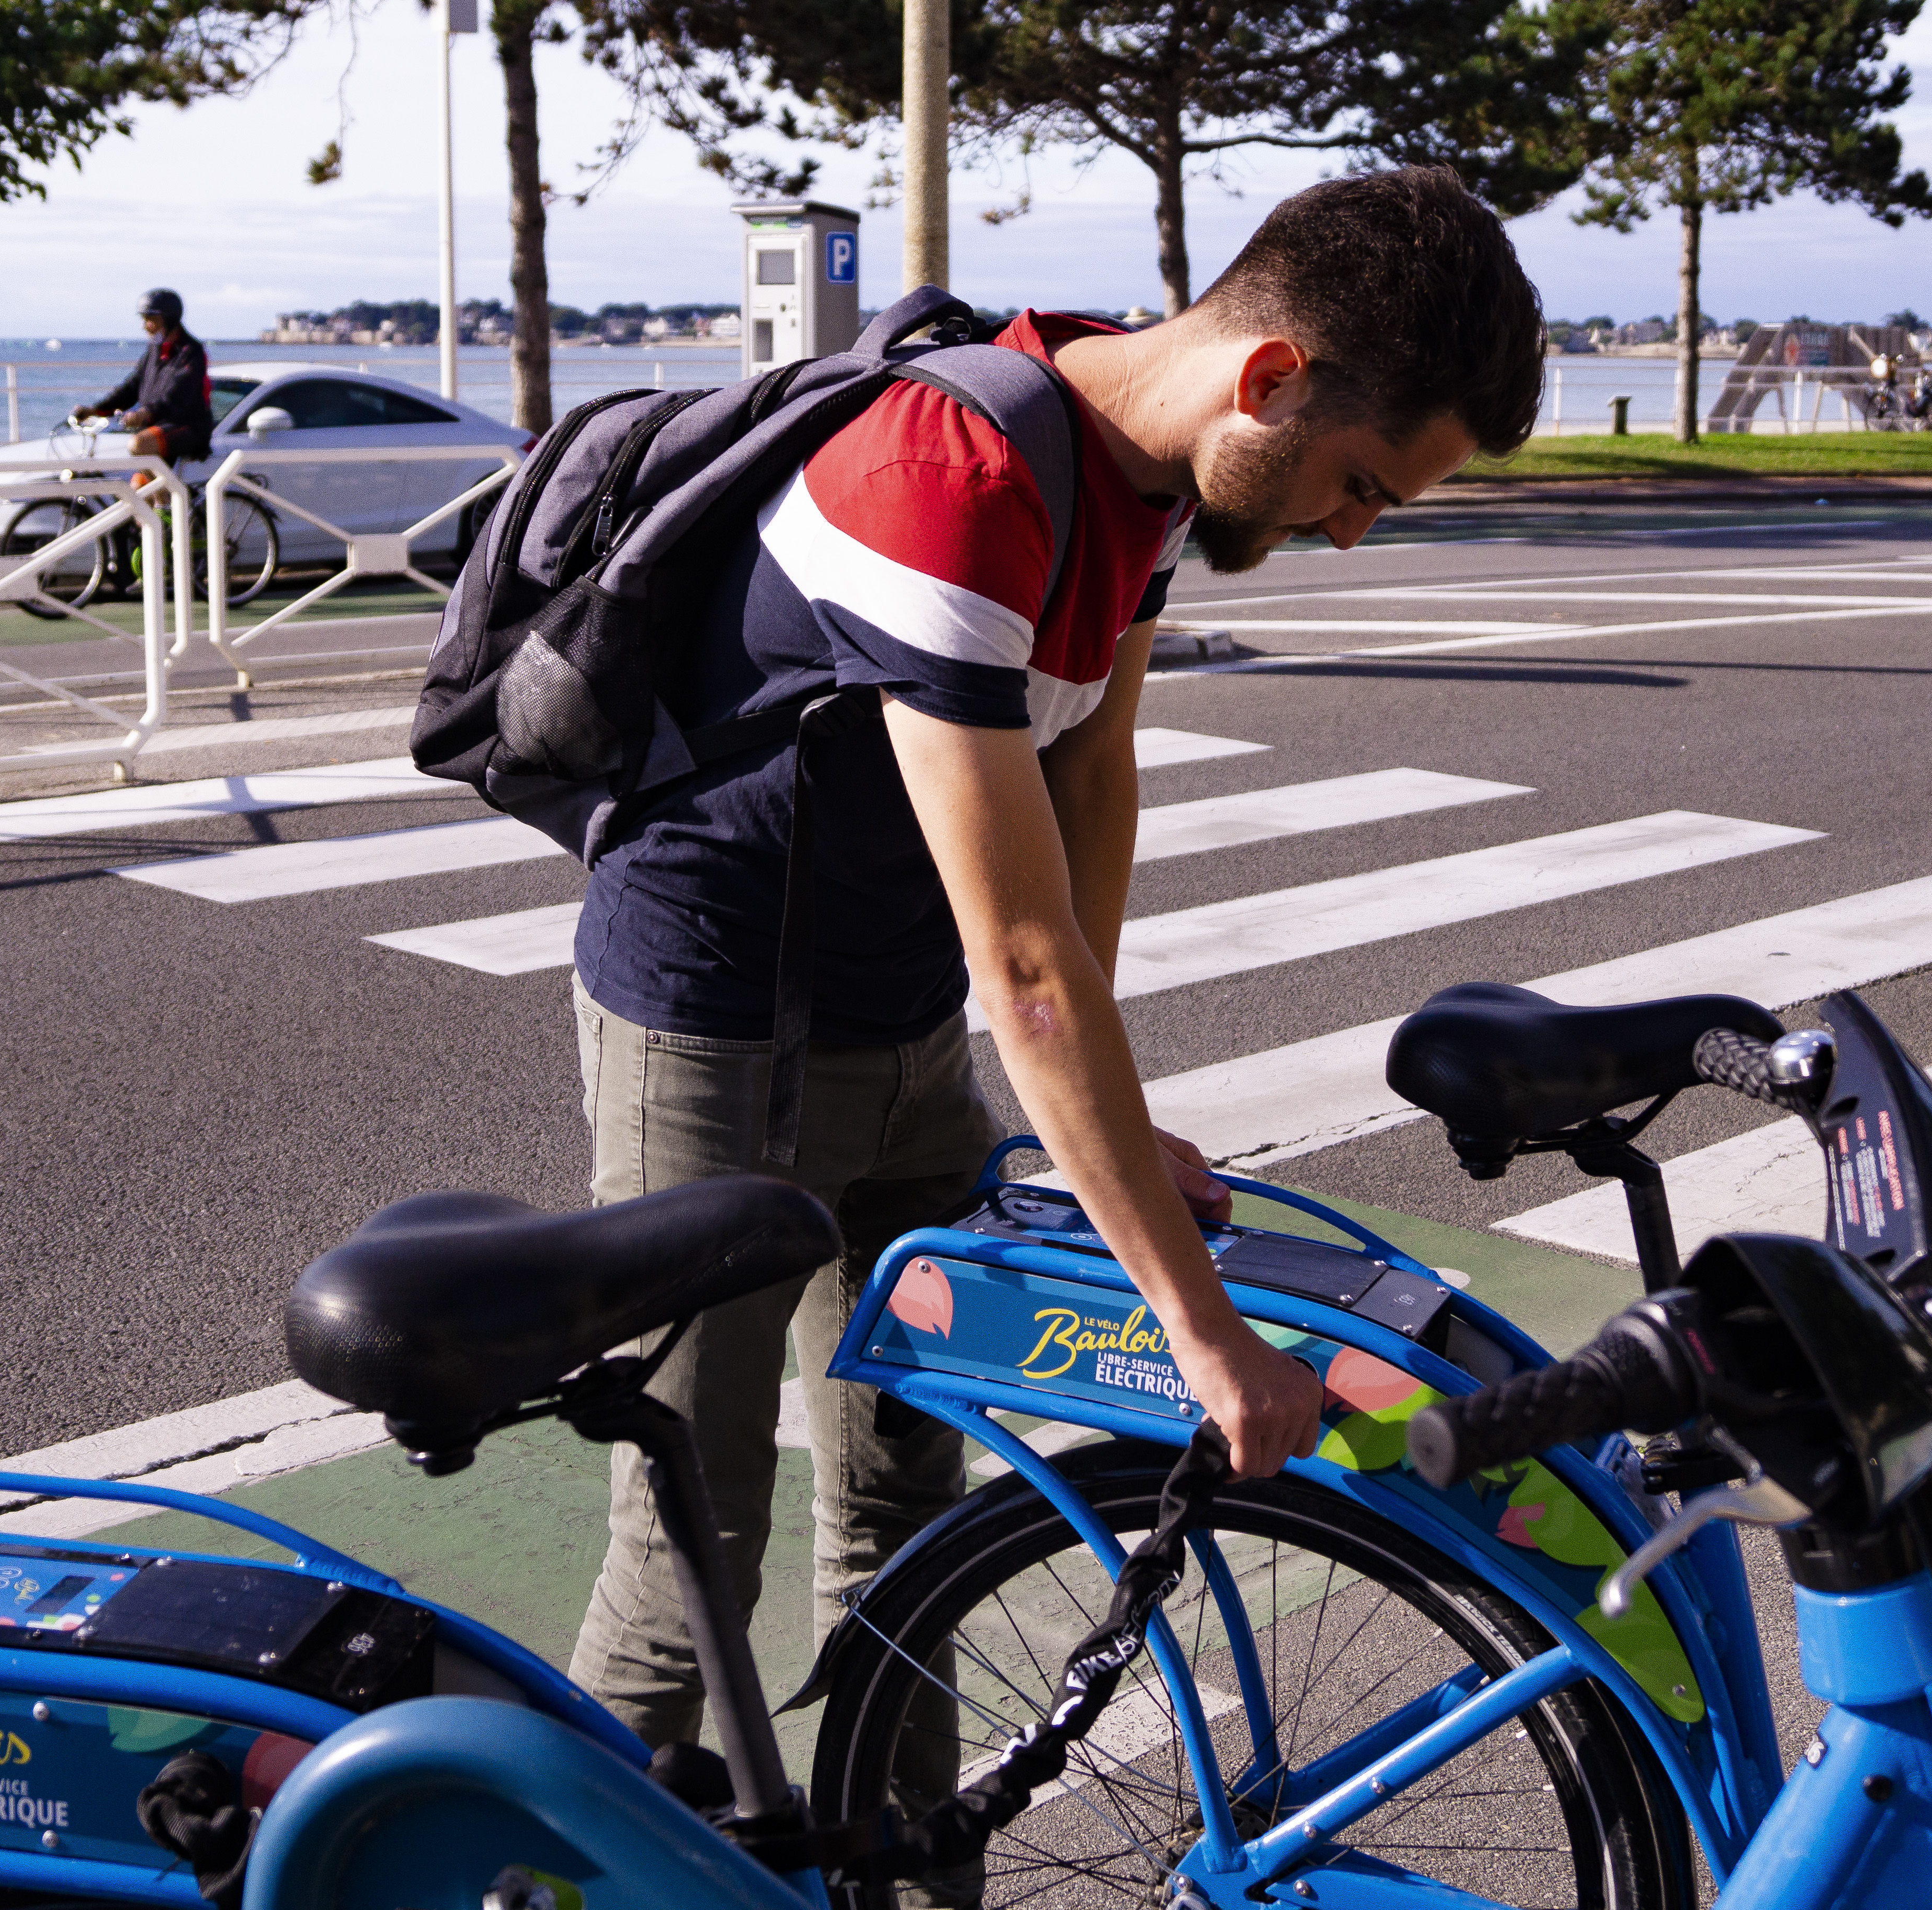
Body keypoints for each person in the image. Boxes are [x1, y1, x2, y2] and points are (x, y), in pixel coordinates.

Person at [564, 167, 1545, 1753]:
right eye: (1361, 484)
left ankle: (900, 1870)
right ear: (1272, 379)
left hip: (901, 1030)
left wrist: (1107, 1146)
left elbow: (1094, 770)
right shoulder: (946, 476)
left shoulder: (1143, 471)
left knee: (909, 1510)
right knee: (694, 1526)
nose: (1352, 534)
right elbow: (1022, 962)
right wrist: (1198, 1323)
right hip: (717, 1029)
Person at [76, 289, 212, 479]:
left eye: (150, 319)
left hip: (188, 427)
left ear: (169, 319)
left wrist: (144, 413)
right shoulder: (155, 350)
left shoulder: (191, 352)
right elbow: (132, 387)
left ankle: (165, 504)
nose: (145, 326)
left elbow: (179, 395)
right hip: (157, 428)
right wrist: (95, 410)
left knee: (139, 444)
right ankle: (165, 502)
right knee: (137, 494)